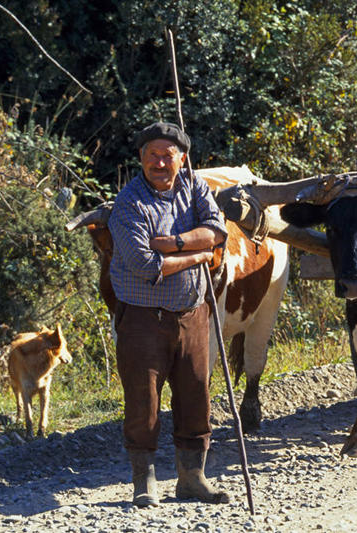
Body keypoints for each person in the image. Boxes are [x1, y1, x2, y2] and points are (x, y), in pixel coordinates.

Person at [108, 121, 229, 507]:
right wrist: (198, 255)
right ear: (141, 158)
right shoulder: (129, 203)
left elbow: (217, 230)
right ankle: (144, 481)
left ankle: (192, 479)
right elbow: (145, 265)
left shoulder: (195, 187)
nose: (159, 163)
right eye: (152, 155)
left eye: (168, 155)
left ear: (183, 159)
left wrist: (173, 243)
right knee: (143, 402)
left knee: (196, 395)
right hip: (143, 318)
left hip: (192, 313)